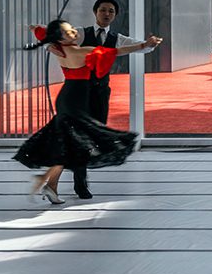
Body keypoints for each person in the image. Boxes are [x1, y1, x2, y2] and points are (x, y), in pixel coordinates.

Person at [14, 13, 155, 205]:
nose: (73, 32)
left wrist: (34, 28)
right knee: (74, 145)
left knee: (70, 145)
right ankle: (47, 182)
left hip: (67, 96)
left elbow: (42, 33)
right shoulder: (80, 51)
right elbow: (116, 51)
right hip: (76, 100)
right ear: (60, 37)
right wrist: (143, 45)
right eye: (68, 32)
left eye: (71, 29)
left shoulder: (57, 48)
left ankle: (50, 184)